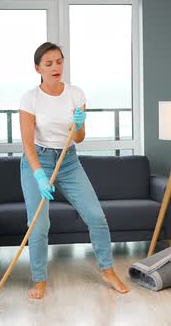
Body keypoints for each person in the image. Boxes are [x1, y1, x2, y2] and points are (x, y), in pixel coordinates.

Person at [19, 42, 130, 299]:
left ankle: (107, 270)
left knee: (96, 216)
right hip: (38, 160)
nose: (56, 67)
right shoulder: (30, 98)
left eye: (59, 61)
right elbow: (27, 144)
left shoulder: (76, 94)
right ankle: (39, 280)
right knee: (38, 225)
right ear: (38, 68)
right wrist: (39, 175)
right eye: (49, 63)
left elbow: (78, 138)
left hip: (68, 162)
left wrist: (79, 124)